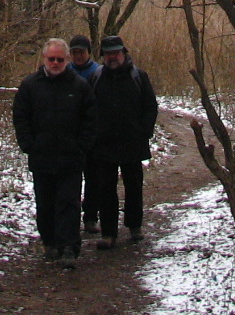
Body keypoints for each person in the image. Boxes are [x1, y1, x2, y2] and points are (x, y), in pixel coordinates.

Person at [13, 37, 96, 268]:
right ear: (44, 59)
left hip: (71, 158)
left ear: (67, 59)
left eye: (60, 59)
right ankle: (49, 242)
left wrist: (82, 146)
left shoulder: (80, 86)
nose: (56, 63)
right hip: (42, 156)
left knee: (69, 203)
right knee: (45, 203)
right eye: (52, 59)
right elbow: (20, 117)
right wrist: (29, 145)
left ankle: (69, 247)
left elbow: (90, 120)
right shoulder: (30, 85)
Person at [88, 35, 157, 250]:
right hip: (104, 144)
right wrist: (92, 135)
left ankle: (135, 226)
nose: (112, 57)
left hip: (132, 143)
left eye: (116, 53)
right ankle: (108, 233)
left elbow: (150, 106)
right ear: (103, 56)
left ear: (124, 53)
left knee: (134, 187)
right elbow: (87, 108)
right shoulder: (96, 77)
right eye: (108, 54)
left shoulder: (139, 76)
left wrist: (144, 131)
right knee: (106, 189)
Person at [67, 35, 103, 234]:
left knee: (93, 178)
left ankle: (90, 216)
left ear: (88, 52)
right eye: (74, 52)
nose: (78, 56)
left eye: (81, 52)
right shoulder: (66, 71)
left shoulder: (98, 72)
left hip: (93, 133)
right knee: (70, 179)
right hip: (70, 134)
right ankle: (70, 217)